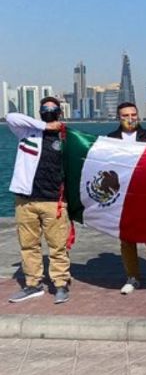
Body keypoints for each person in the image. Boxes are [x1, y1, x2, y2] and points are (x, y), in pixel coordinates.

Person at [7, 97, 71, 304]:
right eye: (45, 108)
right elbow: (11, 116)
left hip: (54, 200)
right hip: (25, 199)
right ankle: (33, 284)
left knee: (57, 246)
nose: (49, 111)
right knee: (28, 245)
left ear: (60, 112)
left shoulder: (66, 136)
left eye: (53, 109)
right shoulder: (27, 132)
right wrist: (45, 125)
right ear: (40, 112)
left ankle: (60, 284)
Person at [108, 102, 146, 295]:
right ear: (119, 117)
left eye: (133, 114)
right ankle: (132, 277)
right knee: (127, 238)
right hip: (122, 195)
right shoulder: (110, 139)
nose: (130, 118)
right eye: (125, 115)